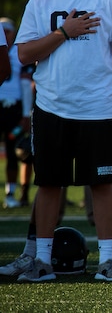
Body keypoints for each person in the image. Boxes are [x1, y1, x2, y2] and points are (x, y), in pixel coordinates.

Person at [13, 0, 112, 282]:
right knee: (49, 184)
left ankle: (108, 261)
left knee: (102, 183)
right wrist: (64, 32)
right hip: (51, 106)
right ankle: (42, 261)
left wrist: (107, 86)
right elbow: (23, 53)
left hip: (97, 109)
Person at [0, 18, 30, 209]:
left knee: (14, 151)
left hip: (14, 109)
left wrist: (26, 113)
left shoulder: (20, 51)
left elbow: (26, 84)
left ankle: (10, 192)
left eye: (8, 31)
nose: (5, 34)